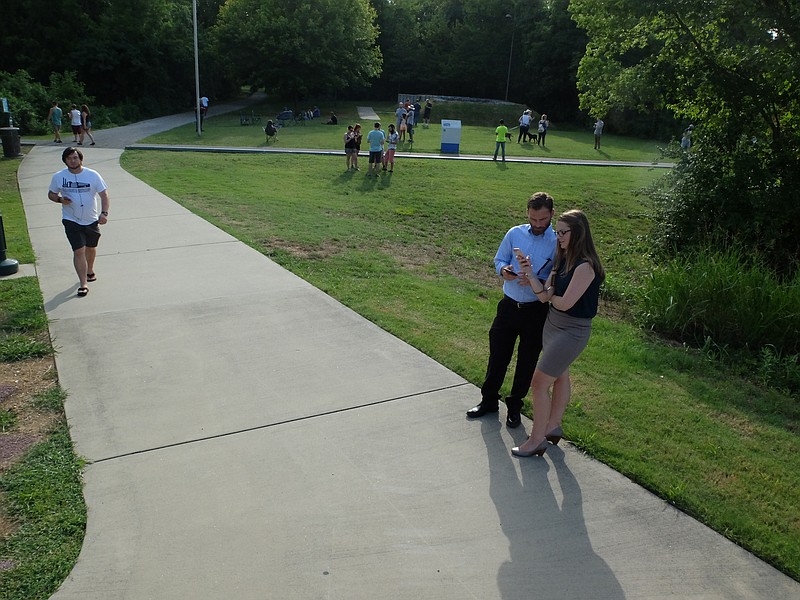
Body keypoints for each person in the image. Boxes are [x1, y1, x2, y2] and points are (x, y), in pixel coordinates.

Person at [510, 209, 604, 457]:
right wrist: (529, 273)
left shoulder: (586, 267)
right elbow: (543, 296)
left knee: (539, 384)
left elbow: (565, 303)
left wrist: (549, 294)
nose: (558, 236)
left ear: (578, 233)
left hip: (572, 332)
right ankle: (553, 427)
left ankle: (536, 439)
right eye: (558, 231)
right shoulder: (562, 259)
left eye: (563, 232)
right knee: (560, 376)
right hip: (553, 326)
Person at [467, 192, 557, 428]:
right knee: (498, 356)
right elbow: (498, 260)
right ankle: (488, 401)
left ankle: (515, 406)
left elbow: (556, 279)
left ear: (551, 215)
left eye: (543, 220)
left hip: (536, 311)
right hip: (508, 306)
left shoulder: (558, 243)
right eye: (534, 219)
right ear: (527, 214)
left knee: (527, 362)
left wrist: (538, 281)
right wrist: (504, 270)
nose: (538, 224)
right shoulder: (514, 233)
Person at [47, 147, 110, 297]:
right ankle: (83, 284)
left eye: (75, 158)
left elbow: (104, 195)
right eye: (69, 158)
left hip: (91, 219)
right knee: (79, 250)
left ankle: (90, 270)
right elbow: (51, 194)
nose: (72, 161)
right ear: (65, 160)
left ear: (80, 159)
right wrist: (60, 199)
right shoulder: (59, 176)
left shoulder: (92, 175)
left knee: (90, 247)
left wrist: (104, 213)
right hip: (71, 219)